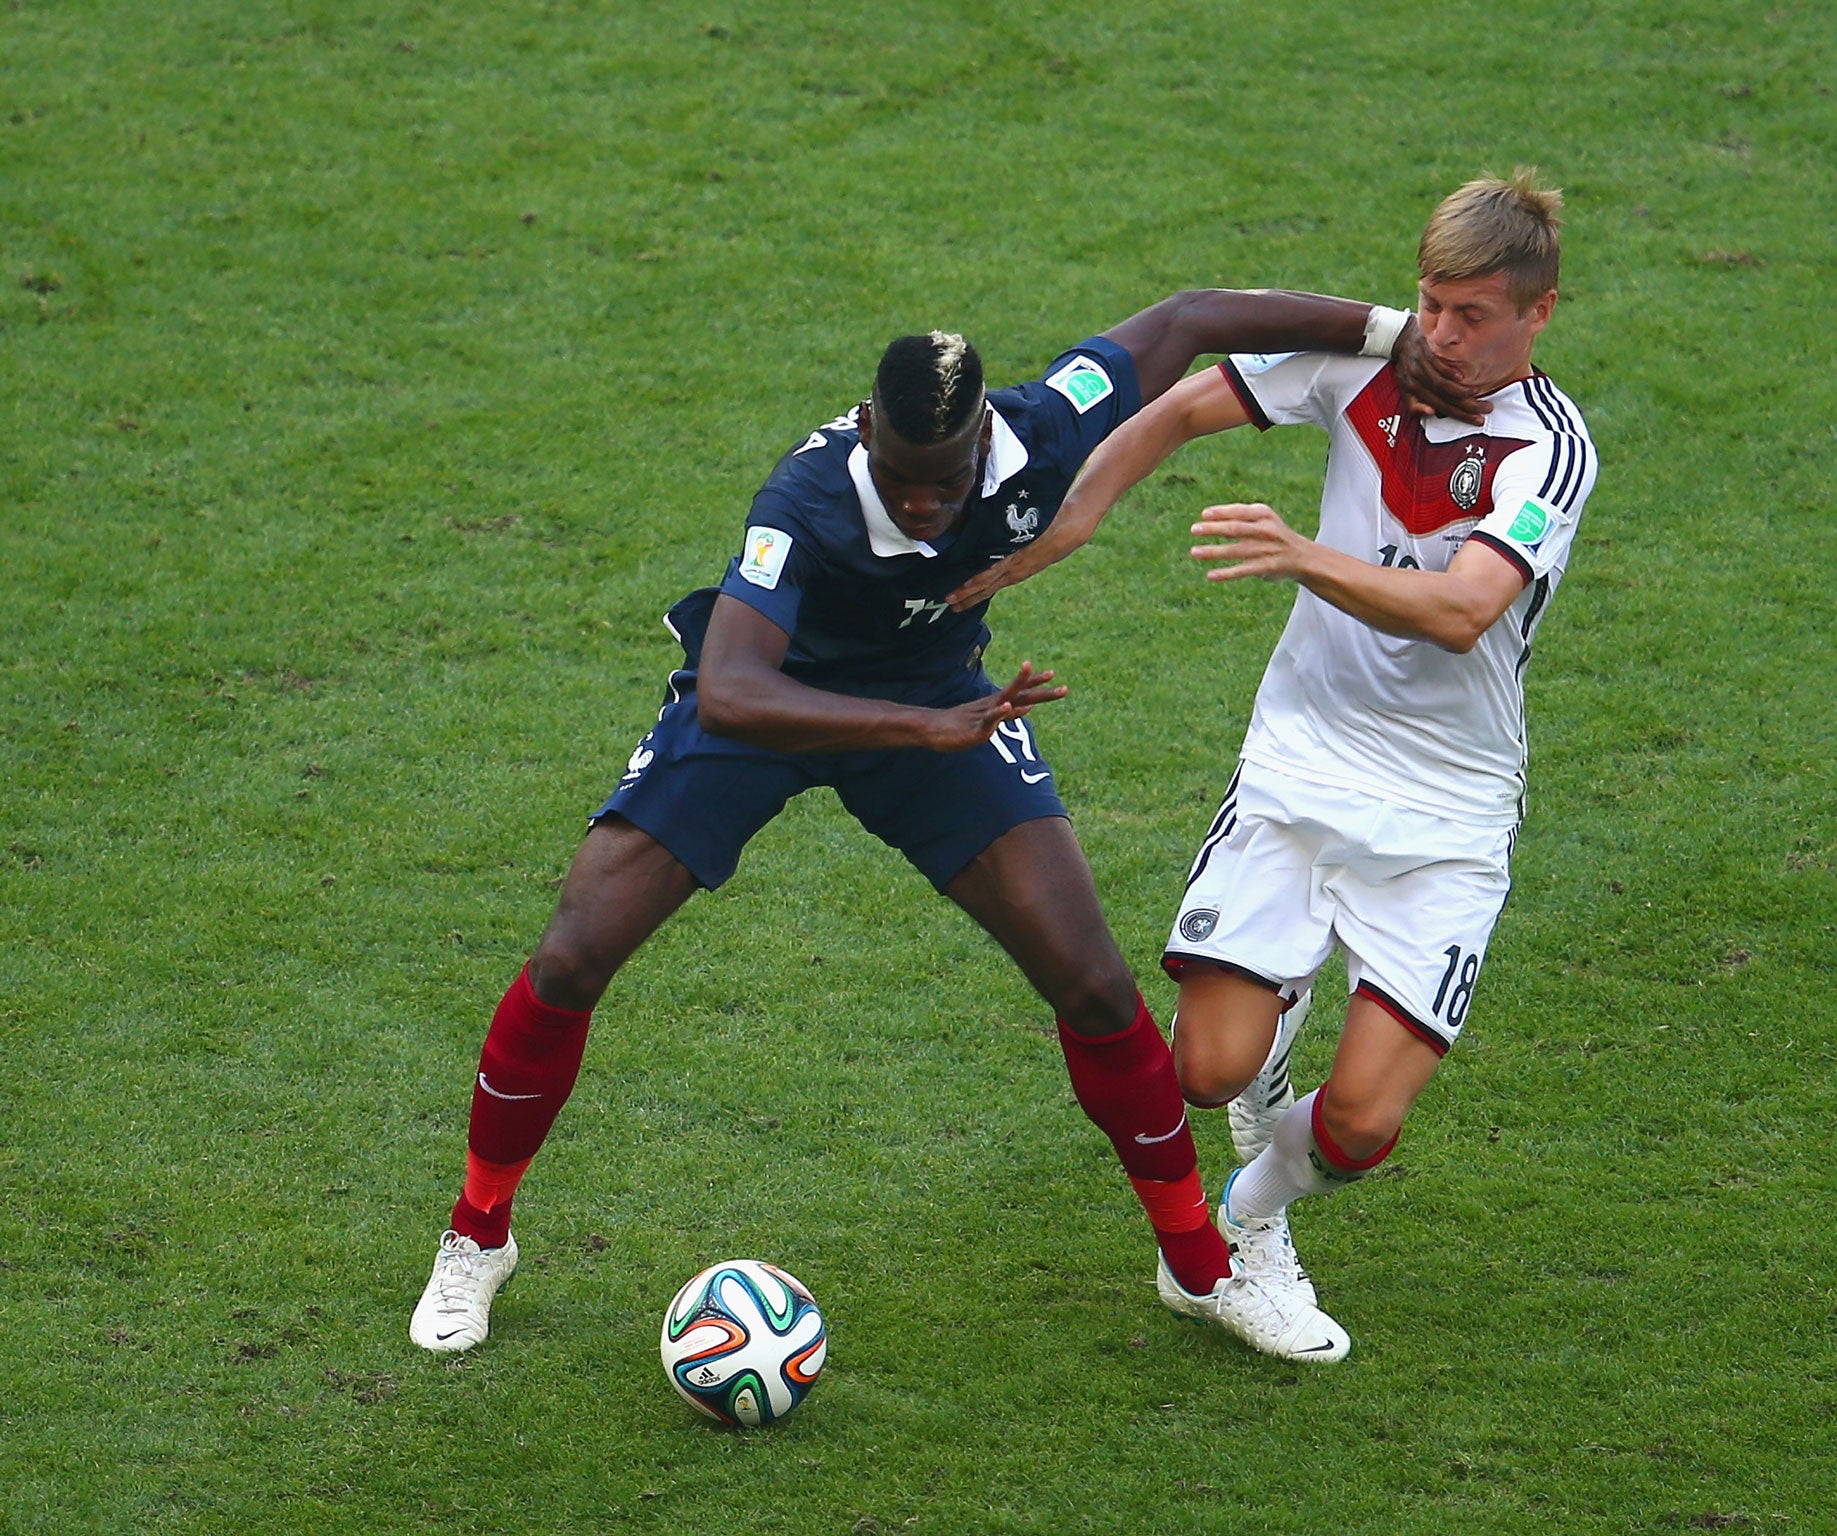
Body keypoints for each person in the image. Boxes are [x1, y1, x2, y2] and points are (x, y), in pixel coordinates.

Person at [407, 288, 1482, 1364]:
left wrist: (1396, 337)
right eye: (904, 481)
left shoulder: (1040, 428)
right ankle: (476, 1235)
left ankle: (1199, 1265)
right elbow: (733, 688)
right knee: (572, 954)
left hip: (942, 716)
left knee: (1095, 984)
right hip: (780, 713)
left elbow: (1191, 318)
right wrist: (915, 729)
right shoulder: (803, 499)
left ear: (982, 443)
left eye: (948, 481)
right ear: (866, 431)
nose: (926, 505)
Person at [946, 170, 1597, 1354]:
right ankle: (1262, 1059)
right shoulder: (1371, 363)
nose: (1437, 336)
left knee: (1355, 1129)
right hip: (1301, 766)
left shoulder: (1546, 451)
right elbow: (1187, 402)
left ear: (1537, 312)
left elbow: (1460, 610)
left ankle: (1249, 1221)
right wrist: (1079, 517)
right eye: (1428, 303)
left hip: (1446, 812)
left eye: (1471, 317)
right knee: (1207, 1072)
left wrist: (1304, 557)